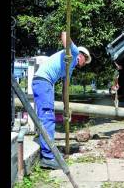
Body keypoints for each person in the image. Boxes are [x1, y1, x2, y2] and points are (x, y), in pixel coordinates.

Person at [32, 31, 91, 169]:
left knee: (47, 117)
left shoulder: (69, 69)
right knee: (47, 118)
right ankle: (47, 157)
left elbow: (65, 89)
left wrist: (66, 108)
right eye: (85, 61)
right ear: (82, 56)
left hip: (46, 84)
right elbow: (64, 34)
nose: (84, 65)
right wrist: (68, 50)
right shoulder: (74, 52)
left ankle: (49, 152)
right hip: (43, 82)